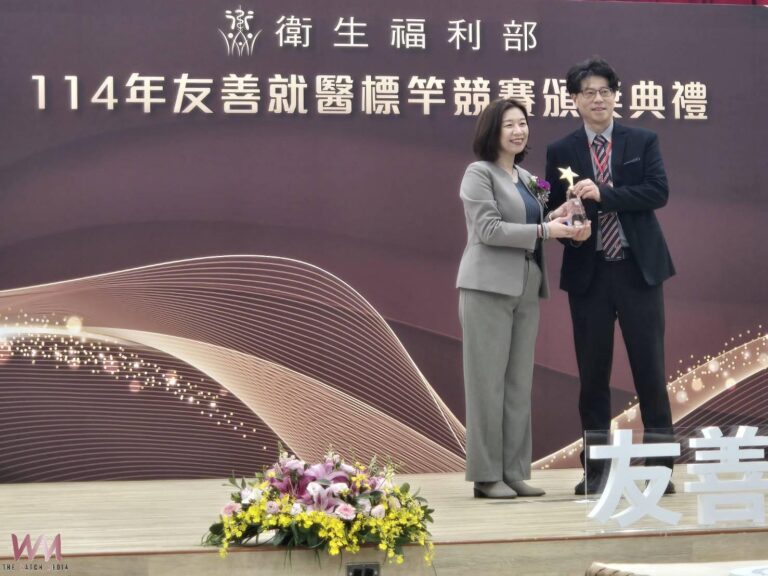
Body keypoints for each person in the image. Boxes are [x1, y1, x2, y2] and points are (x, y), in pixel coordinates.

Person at [544, 57, 676, 496]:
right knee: (593, 377)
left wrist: (605, 194)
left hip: (639, 271)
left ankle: (661, 469)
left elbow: (657, 192)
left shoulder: (642, 140)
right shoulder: (561, 150)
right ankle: (597, 471)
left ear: (616, 95)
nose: (598, 99)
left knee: (651, 373)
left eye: (605, 91)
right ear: (574, 100)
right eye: (588, 93)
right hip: (591, 275)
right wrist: (571, 227)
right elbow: (553, 211)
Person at [457, 98, 588, 499]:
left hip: (527, 286)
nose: (519, 131)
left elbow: (531, 224)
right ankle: (486, 476)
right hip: (487, 287)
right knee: (487, 384)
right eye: (509, 125)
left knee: (517, 384)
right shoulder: (478, 174)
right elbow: (490, 230)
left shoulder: (527, 178)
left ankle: (514, 471)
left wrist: (556, 217)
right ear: (492, 131)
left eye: (523, 123)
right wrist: (547, 231)